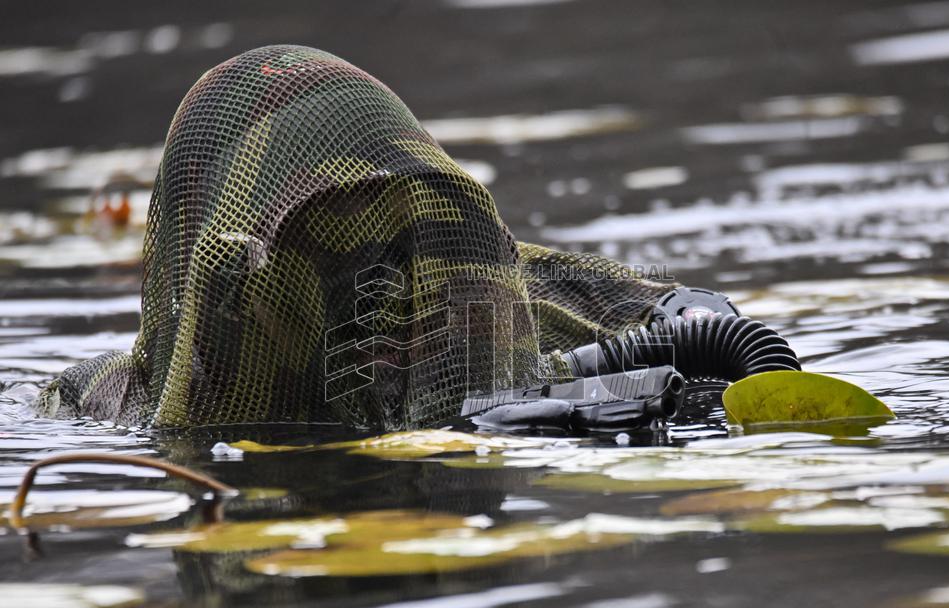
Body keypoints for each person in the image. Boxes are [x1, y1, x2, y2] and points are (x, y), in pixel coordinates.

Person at [38, 45, 699, 431]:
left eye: (408, 253)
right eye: (331, 268)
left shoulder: (559, 318)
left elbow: (713, 330)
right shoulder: (99, 404)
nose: (393, 315)